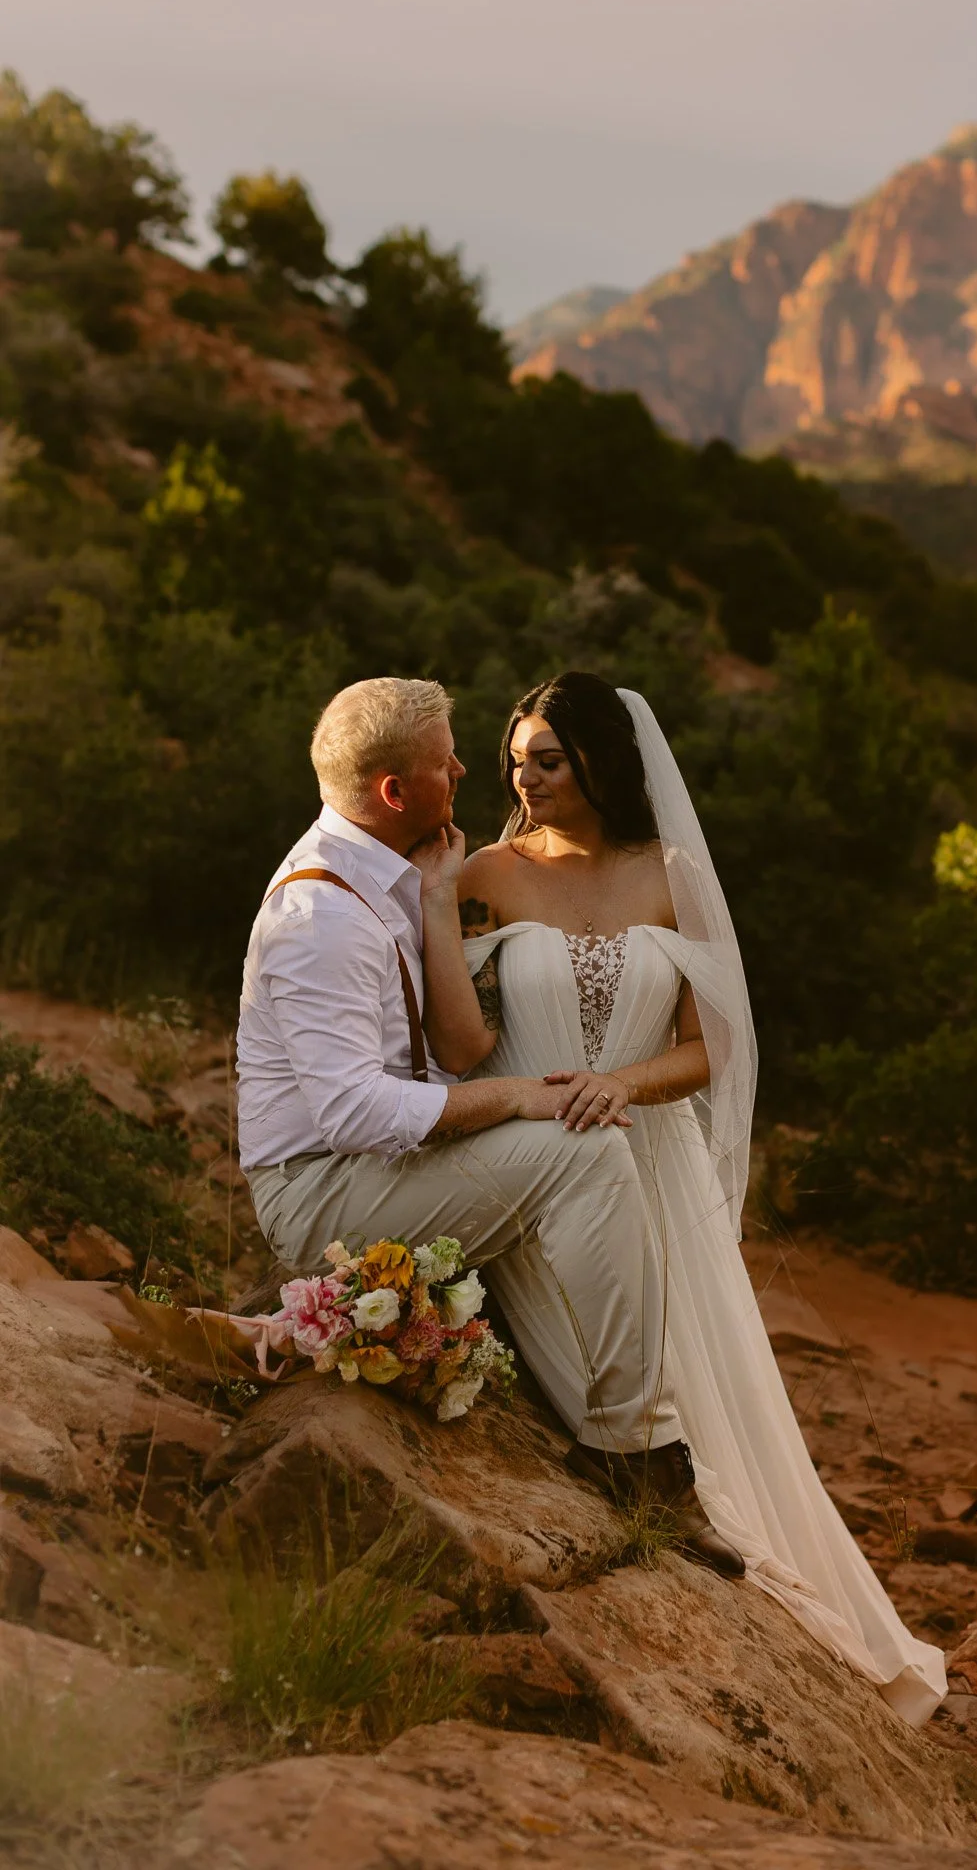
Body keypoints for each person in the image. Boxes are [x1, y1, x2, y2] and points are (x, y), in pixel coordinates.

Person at [419, 670, 947, 1727]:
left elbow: (711, 1046)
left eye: (550, 759)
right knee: (588, 1383)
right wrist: (435, 903)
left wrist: (624, 1080)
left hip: (642, 1153)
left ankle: (760, 1575)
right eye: (518, 756)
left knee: (701, 1387)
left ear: (604, 762)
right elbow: (451, 1040)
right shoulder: (483, 871)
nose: (527, 776)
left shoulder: (673, 874)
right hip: (532, 1161)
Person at [235, 675, 743, 1578]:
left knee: (585, 1153)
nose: (485, 775)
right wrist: (518, 1101)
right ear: (397, 791)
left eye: (537, 760)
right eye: (457, 760)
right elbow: (363, 1107)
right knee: (583, 1153)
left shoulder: (391, 876)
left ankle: (631, 1438)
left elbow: (443, 1059)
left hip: (386, 1166)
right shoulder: (325, 912)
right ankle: (637, 1453)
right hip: (328, 1190)